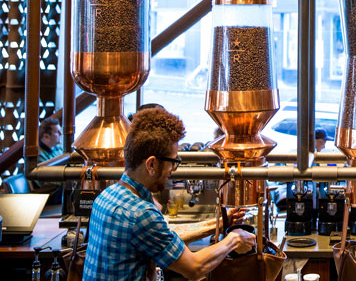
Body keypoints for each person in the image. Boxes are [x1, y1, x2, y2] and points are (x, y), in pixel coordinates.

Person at [83, 107, 255, 281]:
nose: (173, 170)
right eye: (173, 162)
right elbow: (195, 268)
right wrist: (234, 239)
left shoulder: (108, 195)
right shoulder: (141, 213)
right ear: (151, 165)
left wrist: (220, 223)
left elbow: (166, 235)